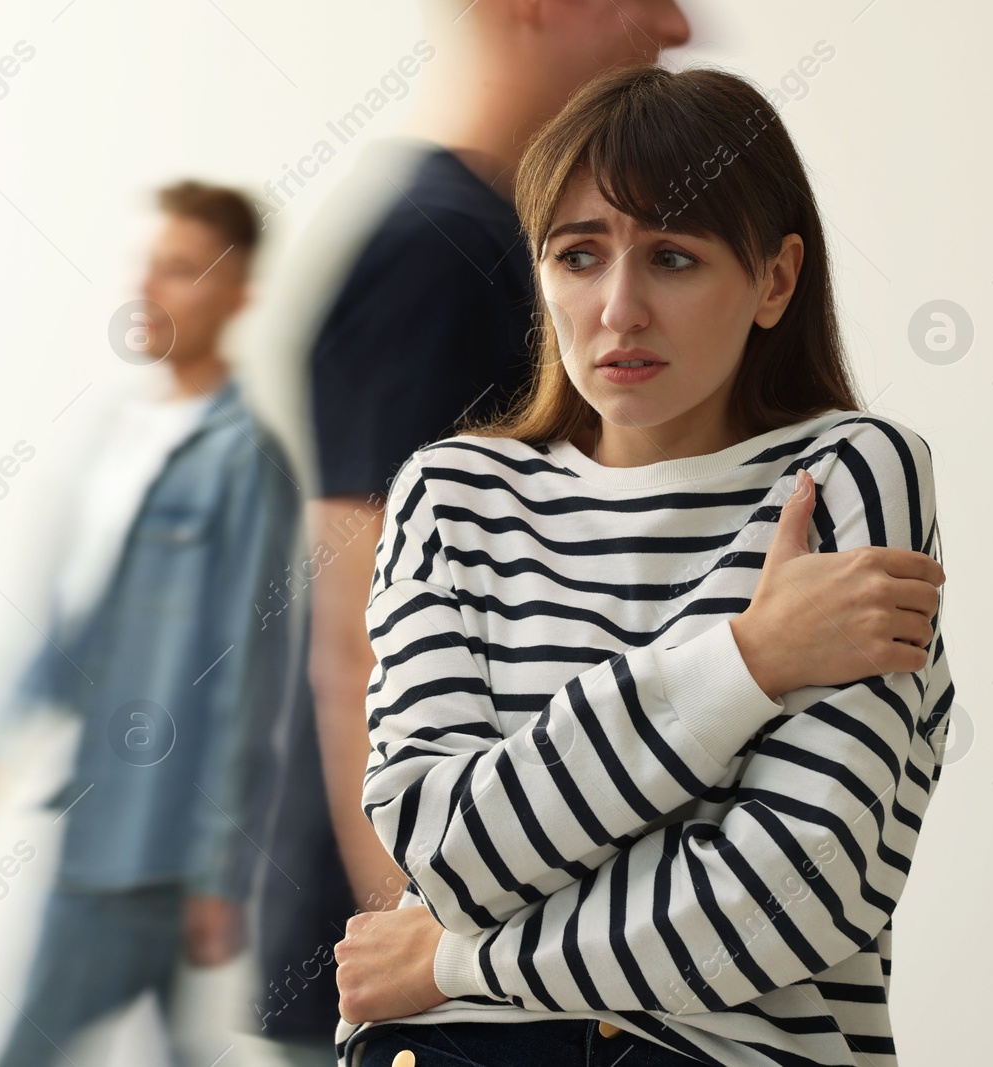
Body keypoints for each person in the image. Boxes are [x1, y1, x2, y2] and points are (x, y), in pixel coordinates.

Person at [331, 63, 956, 1067]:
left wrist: (455, 963)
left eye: (671, 257)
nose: (618, 309)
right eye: (578, 257)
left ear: (774, 279)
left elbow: (792, 896)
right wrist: (748, 659)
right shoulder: (451, 494)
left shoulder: (845, 474)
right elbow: (444, 847)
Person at [248, 3, 692, 1062]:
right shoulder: (433, 256)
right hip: (427, 969)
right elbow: (358, 630)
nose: (675, 26)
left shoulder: (507, 246)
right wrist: (430, 964)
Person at [0, 179, 304, 1067]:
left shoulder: (244, 461)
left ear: (238, 294)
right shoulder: (119, 438)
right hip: (102, 819)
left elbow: (246, 680)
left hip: (150, 852)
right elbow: (75, 629)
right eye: (149, 265)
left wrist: (219, 871)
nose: (149, 289)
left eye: (180, 269)